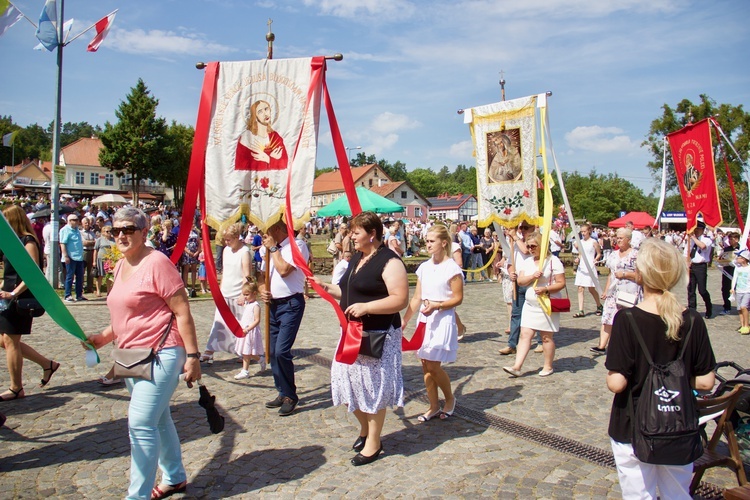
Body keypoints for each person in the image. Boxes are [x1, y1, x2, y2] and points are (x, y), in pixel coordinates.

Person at [83, 207, 201, 499]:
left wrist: (194, 357)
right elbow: (127, 315)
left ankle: (136, 496)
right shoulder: (122, 263)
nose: (121, 235)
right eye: (116, 230)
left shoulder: (157, 262)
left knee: (140, 424)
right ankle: (174, 477)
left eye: (128, 230)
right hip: (130, 356)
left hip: (162, 352)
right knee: (158, 419)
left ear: (144, 232)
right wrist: (102, 337)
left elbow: (182, 311)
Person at [605, 238, 716, 499]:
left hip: (633, 423)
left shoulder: (627, 319)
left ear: (640, 275)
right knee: (677, 494)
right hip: (678, 421)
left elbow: (617, 383)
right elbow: (705, 382)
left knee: (638, 495)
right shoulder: (692, 320)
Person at [310, 211, 408, 466]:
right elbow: (345, 291)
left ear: (371, 234)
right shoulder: (358, 258)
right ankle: (365, 429)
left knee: (373, 388)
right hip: (353, 332)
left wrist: (367, 307)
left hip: (378, 334)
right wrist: (322, 287)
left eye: (356, 232)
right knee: (346, 382)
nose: (351, 236)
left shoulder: (389, 261)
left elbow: (400, 299)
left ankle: (374, 442)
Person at [402, 224, 463, 421]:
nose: (427, 244)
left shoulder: (452, 268)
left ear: (443, 243)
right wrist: (405, 320)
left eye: (431, 241)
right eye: (426, 241)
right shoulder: (424, 268)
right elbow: (417, 297)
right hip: (424, 319)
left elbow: (458, 298)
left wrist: (437, 305)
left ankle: (450, 399)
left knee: (434, 365)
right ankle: (433, 405)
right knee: (425, 364)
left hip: (442, 318)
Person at [0, 205, 59, 401]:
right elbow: (9, 273)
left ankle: (16, 387)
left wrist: (13, 293)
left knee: (10, 341)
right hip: (7, 296)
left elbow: (33, 274)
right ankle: (47, 364)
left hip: (18, 298)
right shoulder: (13, 244)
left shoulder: (28, 241)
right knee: (5, 341)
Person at [259, 219, 310, 416]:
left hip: (291, 304)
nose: (266, 234)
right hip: (273, 304)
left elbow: (284, 270)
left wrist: (273, 249)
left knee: (281, 351)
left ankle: (290, 396)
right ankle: (282, 390)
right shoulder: (271, 249)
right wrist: (262, 289)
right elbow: (262, 276)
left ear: (278, 229)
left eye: (269, 229)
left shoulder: (297, 245)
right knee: (271, 351)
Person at [502, 231, 565, 378]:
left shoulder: (553, 261)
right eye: (528, 246)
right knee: (525, 335)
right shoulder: (528, 261)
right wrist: (532, 276)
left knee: (546, 337)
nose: (530, 249)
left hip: (547, 304)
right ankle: (517, 366)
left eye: (533, 246)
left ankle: (548, 366)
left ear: (541, 245)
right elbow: (520, 281)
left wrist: (546, 288)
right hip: (530, 305)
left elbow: (561, 283)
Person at [200, 223, 252, 363]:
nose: (227, 243)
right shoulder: (226, 251)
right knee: (219, 322)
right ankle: (209, 351)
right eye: (226, 240)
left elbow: (247, 274)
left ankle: (244, 351)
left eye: (229, 240)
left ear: (236, 237)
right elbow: (225, 272)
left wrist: (244, 293)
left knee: (240, 324)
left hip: (238, 293)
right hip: (225, 291)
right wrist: (219, 291)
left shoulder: (245, 251)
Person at [591, 228, 640, 354]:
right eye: (617, 238)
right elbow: (610, 274)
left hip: (630, 291)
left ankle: (630, 345)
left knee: (629, 319)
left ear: (629, 240)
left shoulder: (636, 255)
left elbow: (641, 275)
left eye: (621, 238)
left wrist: (625, 274)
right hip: (614, 291)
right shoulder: (613, 254)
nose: (618, 240)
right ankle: (602, 345)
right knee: (607, 316)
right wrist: (606, 290)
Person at [498, 222, 535, 355]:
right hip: (518, 283)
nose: (522, 230)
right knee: (516, 314)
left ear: (533, 228)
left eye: (526, 228)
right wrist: (511, 271)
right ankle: (512, 344)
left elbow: (526, 250)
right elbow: (510, 260)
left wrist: (515, 237)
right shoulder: (515, 243)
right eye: (521, 228)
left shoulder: (536, 241)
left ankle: (542, 341)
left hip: (533, 283)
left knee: (536, 313)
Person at [235, 99, 289, 171]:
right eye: (260, 112)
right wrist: (271, 159)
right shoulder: (246, 137)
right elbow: (240, 167)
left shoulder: (275, 137)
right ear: (255, 117)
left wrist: (268, 159)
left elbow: (285, 165)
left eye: (266, 109)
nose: (265, 114)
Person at [233, 281, 265, 379]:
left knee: (246, 352)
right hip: (244, 330)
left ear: (254, 293)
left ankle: (245, 371)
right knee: (246, 352)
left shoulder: (256, 306)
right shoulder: (248, 304)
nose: (245, 297)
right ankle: (260, 359)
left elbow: (257, 320)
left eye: (247, 295)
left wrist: (248, 329)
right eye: (244, 295)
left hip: (250, 331)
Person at [572, 223, 603, 318]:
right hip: (582, 267)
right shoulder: (579, 242)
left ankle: (599, 305)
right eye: (581, 231)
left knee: (591, 288)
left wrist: (596, 259)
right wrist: (578, 259)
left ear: (589, 231)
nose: (583, 233)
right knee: (580, 288)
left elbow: (599, 253)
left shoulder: (593, 241)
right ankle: (581, 310)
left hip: (590, 265)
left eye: (584, 231)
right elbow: (581, 254)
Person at [685, 220, 713, 319]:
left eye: (698, 229)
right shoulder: (690, 241)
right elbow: (686, 254)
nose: (696, 231)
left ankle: (709, 308)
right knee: (691, 289)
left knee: (702, 290)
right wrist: (686, 263)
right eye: (695, 229)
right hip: (692, 266)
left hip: (701, 266)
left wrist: (693, 237)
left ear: (702, 229)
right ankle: (692, 310)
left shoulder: (706, 239)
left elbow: (703, 246)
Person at [60, 214, 86, 302]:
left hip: (79, 256)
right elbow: (63, 243)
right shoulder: (65, 230)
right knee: (70, 277)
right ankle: (67, 295)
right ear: (69, 221)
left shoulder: (77, 230)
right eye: (74, 220)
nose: (77, 221)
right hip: (70, 257)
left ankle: (79, 295)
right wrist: (66, 256)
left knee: (80, 276)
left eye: (77, 219)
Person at [719, 231, 740, 315]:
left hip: (737, 271)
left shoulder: (742, 248)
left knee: (739, 289)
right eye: (729, 239)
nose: (730, 241)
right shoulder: (726, 248)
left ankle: (742, 306)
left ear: (737, 239)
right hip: (727, 271)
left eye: (731, 239)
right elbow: (721, 258)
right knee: (725, 289)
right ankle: (727, 307)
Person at [730, 249, 750, 334]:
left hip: (747, 291)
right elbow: (734, 278)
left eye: (739, 257)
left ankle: (746, 325)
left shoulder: (749, 268)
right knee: (739, 309)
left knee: (743, 307)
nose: (737, 258)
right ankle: (742, 325)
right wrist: (732, 288)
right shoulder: (738, 268)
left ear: (744, 259)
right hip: (739, 291)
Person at [93, 225, 115, 297]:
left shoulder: (113, 240)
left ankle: (109, 291)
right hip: (100, 259)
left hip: (110, 260)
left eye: (110, 231)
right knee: (99, 275)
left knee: (109, 276)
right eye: (107, 231)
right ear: (103, 232)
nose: (109, 233)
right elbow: (95, 250)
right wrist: (94, 261)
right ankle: (98, 291)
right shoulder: (99, 240)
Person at [181, 224, 201, 293]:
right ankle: (185, 286)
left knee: (194, 269)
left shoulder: (196, 233)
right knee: (186, 269)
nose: (192, 225)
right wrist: (188, 252)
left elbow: (199, 244)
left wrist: (197, 252)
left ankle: (193, 286)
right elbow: (182, 244)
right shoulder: (185, 232)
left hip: (194, 253)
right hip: (187, 254)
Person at [81, 216, 97, 293]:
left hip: (92, 251)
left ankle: (90, 287)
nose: (87, 224)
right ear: (82, 224)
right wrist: (91, 242)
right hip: (84, 251)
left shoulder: (92, 232)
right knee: (82, 270)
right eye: (85, 223)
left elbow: (96, 242)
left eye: (88, 223)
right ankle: (81, 287)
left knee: (90, 271)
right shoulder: (80, 233)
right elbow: (84, 243)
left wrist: (89, 242)